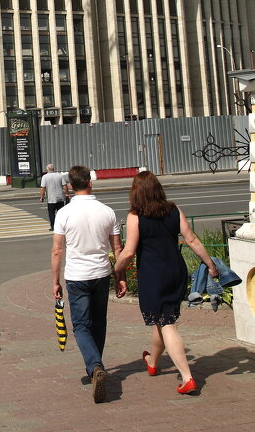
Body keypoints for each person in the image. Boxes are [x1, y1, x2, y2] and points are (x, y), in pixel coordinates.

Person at [114, 171, 218, 395]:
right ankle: (152, 360)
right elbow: (191, 239)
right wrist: (210, 264)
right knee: (162, 318)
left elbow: (129, 251)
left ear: (136, 192)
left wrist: (116, 267)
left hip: (153, 274)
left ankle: (187, 377)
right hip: (176, 271)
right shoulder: (173, 209)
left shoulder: (135, 215)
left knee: (167, 323)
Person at [51, 165, 124, 404]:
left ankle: (94, 367)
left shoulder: (64, 213)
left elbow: (57, 251)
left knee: (81, 325)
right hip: (101, 274)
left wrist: (55, 281)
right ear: (90, 183)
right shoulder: (107, 212)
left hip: (76, 276)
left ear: (71, 186)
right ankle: (96, 366)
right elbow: (117, 249)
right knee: (99, 321)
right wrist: (120, 276)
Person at [39, 163, 69, 230]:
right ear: (53, 169)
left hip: (51, 199)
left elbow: (43, 188)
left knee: (51, 214)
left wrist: (42, 197)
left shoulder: (45, 177)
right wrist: (67, 194)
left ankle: (53, 227)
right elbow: (65, 186)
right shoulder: (59, 176)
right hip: (60, 198)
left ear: (47, 169)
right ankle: (63, 227)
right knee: (61, 213)